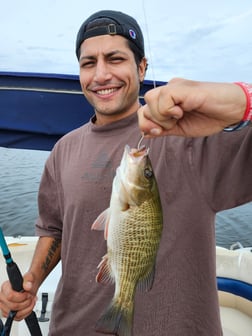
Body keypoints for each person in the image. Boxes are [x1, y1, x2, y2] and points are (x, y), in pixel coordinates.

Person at [0, 9, 252, 336]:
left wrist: (240, 100)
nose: (101, 74)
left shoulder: (192, 138)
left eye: (115, 59)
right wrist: (31, 282)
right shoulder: (64, 149)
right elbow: (55, 228)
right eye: (89, 63)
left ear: (142, 67)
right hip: (73, 327)